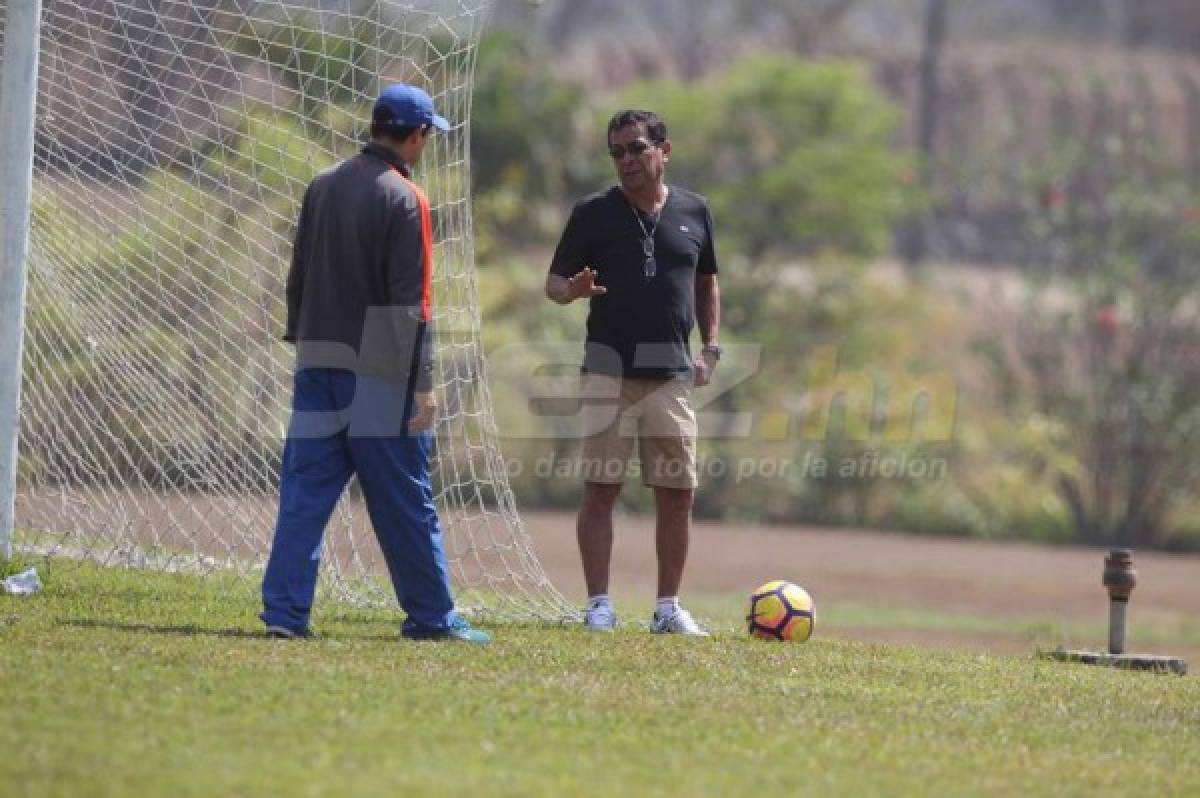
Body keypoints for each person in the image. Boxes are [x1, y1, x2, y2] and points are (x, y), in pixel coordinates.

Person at [260, 84, 489, 644]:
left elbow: (299, 273)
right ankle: (432, 618)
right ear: (418, 135)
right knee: (406, 501)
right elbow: (412, 303)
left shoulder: (322, 185)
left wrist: (305, 338)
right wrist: (424, 385)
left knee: (305, 497)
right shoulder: (406, 198)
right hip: (380, 376)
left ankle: (286, 617)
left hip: (317, 364)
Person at [545, 109, 721, 635]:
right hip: (607, 370)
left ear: (664, 151)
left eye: (637, 148)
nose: (627, 160)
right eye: (617, 152)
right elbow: (554, 285)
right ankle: (599, 605)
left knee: (677, 491)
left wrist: (711, 348)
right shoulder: (592, 213)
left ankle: (668, 608)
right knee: (601, 488)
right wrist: (570, 291)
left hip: (671, 374)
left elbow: (707, 282)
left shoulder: (695, 210)